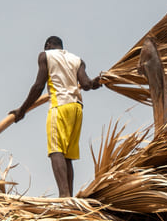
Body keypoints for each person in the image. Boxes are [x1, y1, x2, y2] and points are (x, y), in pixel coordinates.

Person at [11, 35, 101, 197]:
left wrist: (22, 109)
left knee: (55, 151)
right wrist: (97, 82)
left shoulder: (45, 56)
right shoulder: (77, 60)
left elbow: (39, 86)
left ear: (48, 45)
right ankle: (69, 196)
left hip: (59, 106)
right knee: (67, 156)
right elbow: (87, 85)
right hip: (77, 108)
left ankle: (64, 196)